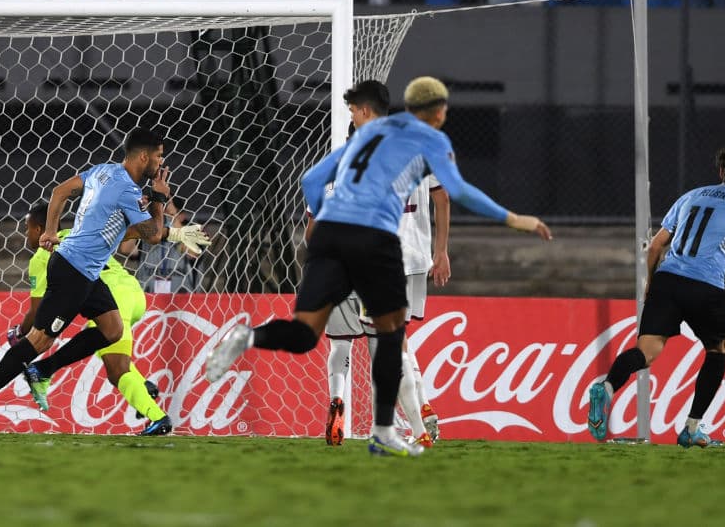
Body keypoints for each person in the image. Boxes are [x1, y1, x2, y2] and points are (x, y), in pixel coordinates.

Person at [205, 76, 551, 457]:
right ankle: (404, 430)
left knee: (307, 334)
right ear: (435, 112)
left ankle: (248, 337)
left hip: (329, 243)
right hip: (372, 246)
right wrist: (515, 219)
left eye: (353, 110)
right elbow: (460, 192)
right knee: (390, 341)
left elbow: (310, 180)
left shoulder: (356, 146)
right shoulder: (425, 142)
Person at [0, 128, 201, 434]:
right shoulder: (127, 191)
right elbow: (153, 236)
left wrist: (50, 230)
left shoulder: (103, 171)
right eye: (158, 156)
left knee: (112, 330)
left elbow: (60, 190)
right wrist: (159, 198)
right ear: (144, 156)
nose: (161, 162)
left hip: (87, 271)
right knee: (39, 340)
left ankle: (43, 370)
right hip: (73, 271)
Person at [588, 141, 725, 447]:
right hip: (705, 286)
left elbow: (655, 246)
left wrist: (650, 285)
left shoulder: (691, 196)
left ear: (721, 170)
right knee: (717, 349)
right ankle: (692, 429)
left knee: (647, 352)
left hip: (667, 280)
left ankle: (608, 387)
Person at [320, 80, 449, 449]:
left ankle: (411, 420)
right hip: (413, 260)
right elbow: (443, 201)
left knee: (366, 345)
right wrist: (441, 251)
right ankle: (421, 410)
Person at [10, 201, 207, 435]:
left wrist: (19, 332)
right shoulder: (79, 233)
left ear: (38, 229)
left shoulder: (42, 256)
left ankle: (159, 419)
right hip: (134, 293)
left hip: (110, 301)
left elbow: (36, 311)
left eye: (26, 228)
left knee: (116, 369)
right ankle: (144, 387)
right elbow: (124, 235)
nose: (25, 234)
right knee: (113, 357)